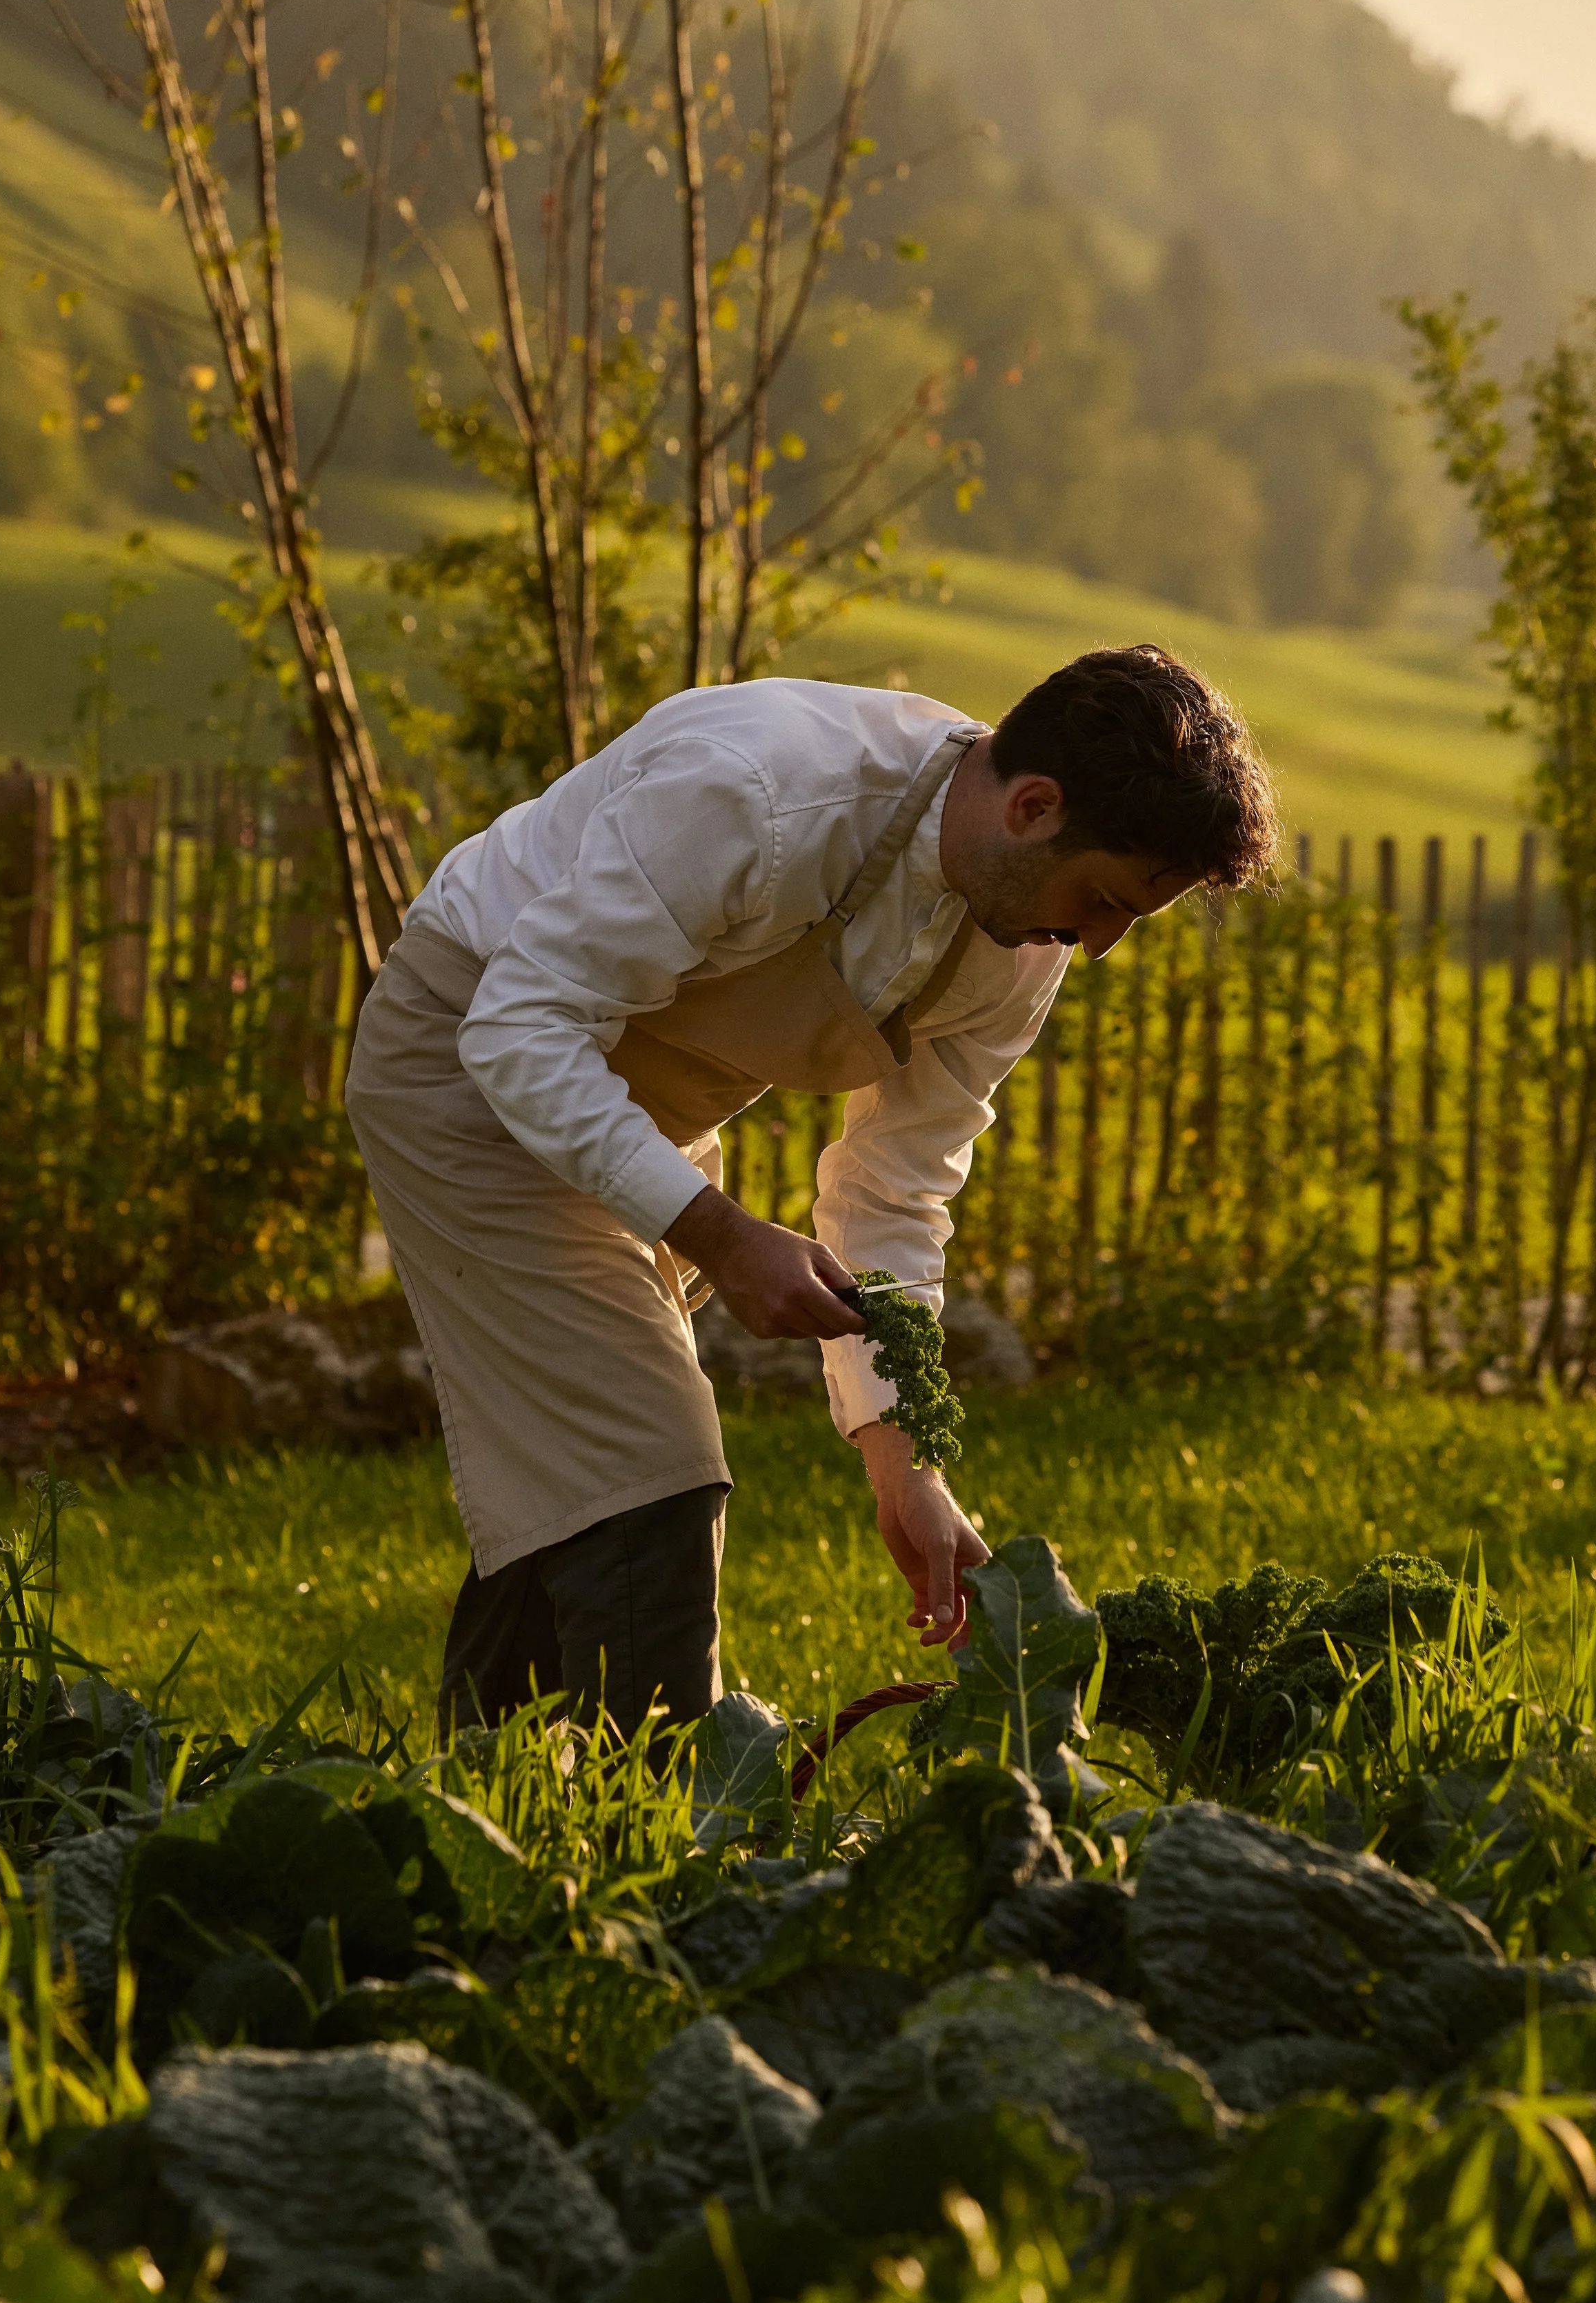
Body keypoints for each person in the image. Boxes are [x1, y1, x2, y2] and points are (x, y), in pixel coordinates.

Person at [343, 644, 1277, 1744]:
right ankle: (672, 1848)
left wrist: (902, 1459)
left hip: (630, 1115)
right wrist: (723, 1237)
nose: (1101, 943)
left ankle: (482, 1805)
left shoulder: (1026, 940)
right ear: (1034, 806)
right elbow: (520, 1029)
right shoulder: (764, 790)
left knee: (577, 1475)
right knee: (647, 1465)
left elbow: (896, 1186)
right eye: (1107, 900)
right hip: (472, 1063)